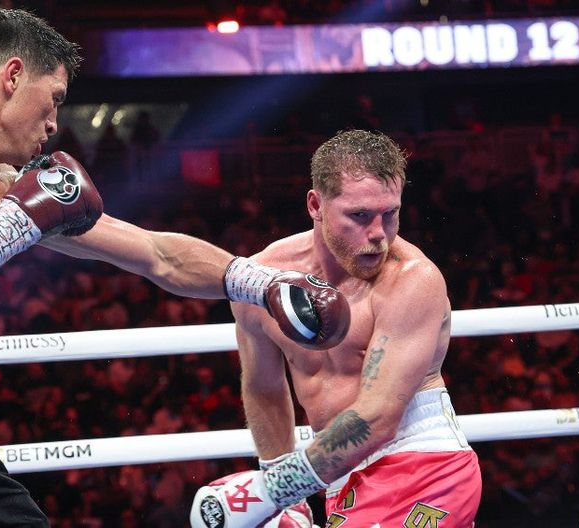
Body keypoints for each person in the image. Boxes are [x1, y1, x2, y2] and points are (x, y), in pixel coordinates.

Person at [0, 8, 348, 528]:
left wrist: (261, 282)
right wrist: (22, 218)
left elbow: (156, 253)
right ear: (13, 76)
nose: (54, 124)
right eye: (54, 98)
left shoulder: (12, 191)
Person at [191, 130, 481, 528]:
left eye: (390, 214)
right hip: (337, 477)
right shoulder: (262, 281)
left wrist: (275, 488)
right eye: (360, 216)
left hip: (421, 462)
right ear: (316, 205)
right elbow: (264, 388)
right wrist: (285, 495)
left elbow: (378, 416)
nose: (378, 233)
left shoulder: (412, 279)